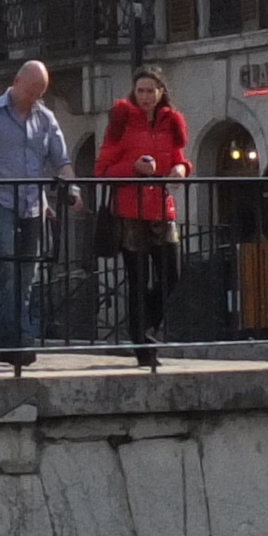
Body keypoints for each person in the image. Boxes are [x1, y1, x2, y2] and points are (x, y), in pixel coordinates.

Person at [0, 59, 77, 363]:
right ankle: (19, 336)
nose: (34, 98)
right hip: (0, 201)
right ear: (16, 82)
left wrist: (73, 189)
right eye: (30, 91)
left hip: (33, 203)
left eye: (40, 92)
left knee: (29, 271)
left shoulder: (46, 117)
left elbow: (61, 160)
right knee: (8, 270)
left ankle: (7, 339)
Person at [92, 67, 189, 352]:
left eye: (151, 90)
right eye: (141, 91)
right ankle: (140, 340)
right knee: (137, 279)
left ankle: (145, 323)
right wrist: (132, 168)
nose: (145, 96)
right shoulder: (122, 122)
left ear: (161, 92)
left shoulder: (170, 122)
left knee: (172, 274)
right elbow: (102, 170)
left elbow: (179, 158)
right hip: (130, 210)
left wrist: (181, 169)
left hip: (161, 209)